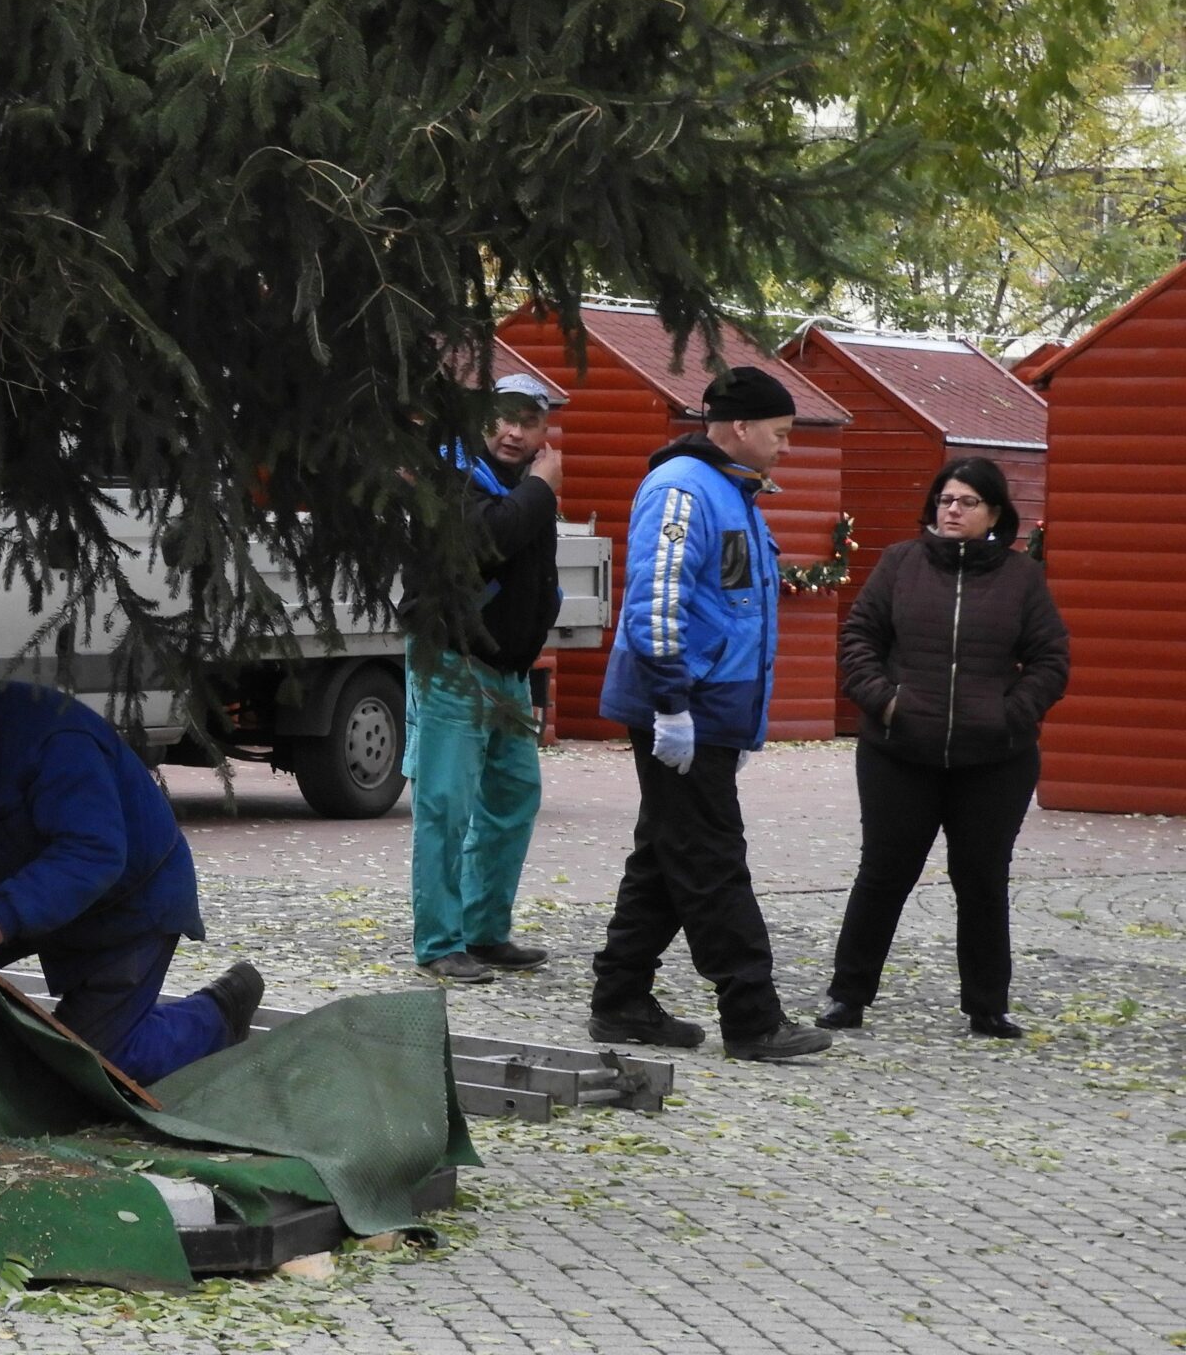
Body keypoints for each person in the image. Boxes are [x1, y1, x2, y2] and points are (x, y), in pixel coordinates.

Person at [0, 646, 263, 1085]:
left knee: (90, 1068)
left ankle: (219, 1012)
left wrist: (1, 919)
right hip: (6, 884)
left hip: (127, 903)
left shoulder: (51, 741)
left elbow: (93, 853)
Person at [587, 364, 832, 1063]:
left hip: (707, 709)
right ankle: (752, 1016)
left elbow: (728, 610)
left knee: (668, 853)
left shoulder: (731, 492)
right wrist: (672, 707)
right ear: (740, 428)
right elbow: (654, 601)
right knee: (712, 857)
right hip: (683, 706)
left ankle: (620, 1000)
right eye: (781, 434)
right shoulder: (685, 490)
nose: (787, 447)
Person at [818, 458, 1068, 1039]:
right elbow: (859, 638)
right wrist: (886, 703)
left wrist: (1011, 714)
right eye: (945, 500)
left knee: (982, 877)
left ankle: (988, 1005)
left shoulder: (1020, 578)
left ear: (995, 514)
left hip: (994, 759)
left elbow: (1050, 659)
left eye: (967, 502)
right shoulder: (900, 564)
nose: (952, 510)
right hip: (899, 751)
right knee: (884, 872)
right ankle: (847, 995)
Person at [406, 370, 566, 984]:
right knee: (445, 806)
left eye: (529, 422)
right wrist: (544, 492)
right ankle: (439, 944)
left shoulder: (521, 483)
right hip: (453, 662)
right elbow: (485, 541)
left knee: (513, 799)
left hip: (508, 671)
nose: (513, 430)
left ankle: (484, 931)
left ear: (543, 430)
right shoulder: (453, 474)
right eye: (504, 416)